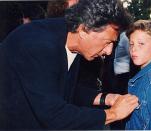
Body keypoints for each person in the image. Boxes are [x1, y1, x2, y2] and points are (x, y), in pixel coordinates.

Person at [0, 0, 139, 129]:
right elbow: (54, 116)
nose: (109, 51)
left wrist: (106, 98)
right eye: (108, 42)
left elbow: (65, 88)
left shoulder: (72, 41)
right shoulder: (38, 44)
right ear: (84, 30)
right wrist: (113, 114)